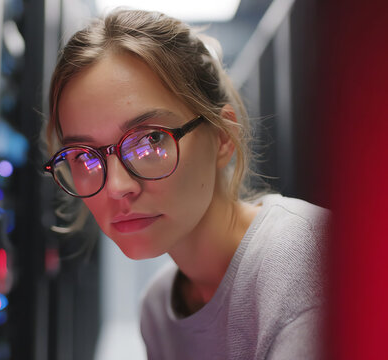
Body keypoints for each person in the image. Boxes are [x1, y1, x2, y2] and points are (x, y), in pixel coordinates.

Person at [42, 8, 328, 360]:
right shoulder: (158, 309)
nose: (116, 186)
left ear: (223, 136)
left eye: (150, 141)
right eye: (84, 157)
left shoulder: (309, 259)